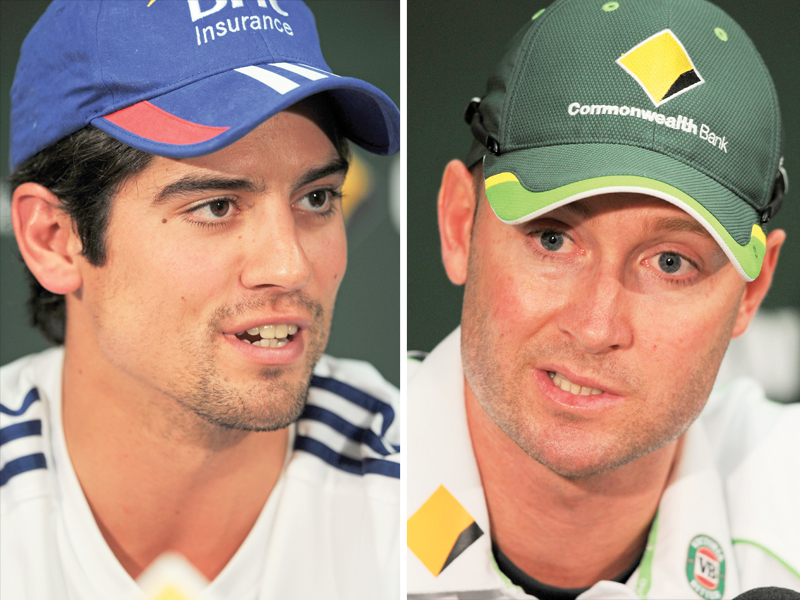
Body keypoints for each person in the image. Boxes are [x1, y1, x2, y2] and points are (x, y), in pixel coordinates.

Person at [0, 1, 400, 599]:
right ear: (54, 240)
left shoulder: (421, 485)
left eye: (316, 198)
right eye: (215, 207)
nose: (289, 267)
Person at [407, 0, 799, 598]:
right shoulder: (303, 500)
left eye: (671, 263)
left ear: (751, 293)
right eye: (553, 237)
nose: (596, 327)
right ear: (461, 224)